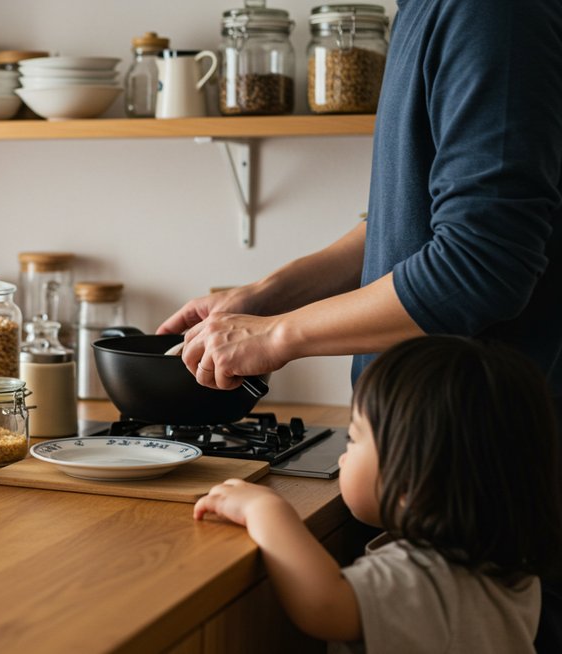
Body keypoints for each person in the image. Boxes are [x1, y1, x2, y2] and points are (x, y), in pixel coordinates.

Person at [159, 0, 562, 647]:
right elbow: (401, 222)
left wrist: (279, 335)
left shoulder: (491, 12)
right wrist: (263, 297)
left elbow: (479, 259)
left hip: (468, 463)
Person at [194, 336, 562, 652]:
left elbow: (325, 604)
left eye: (353, 439)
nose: (342, 454)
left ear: (413, 482)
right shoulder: (511, 567)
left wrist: (266, 509)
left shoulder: (424, 580)